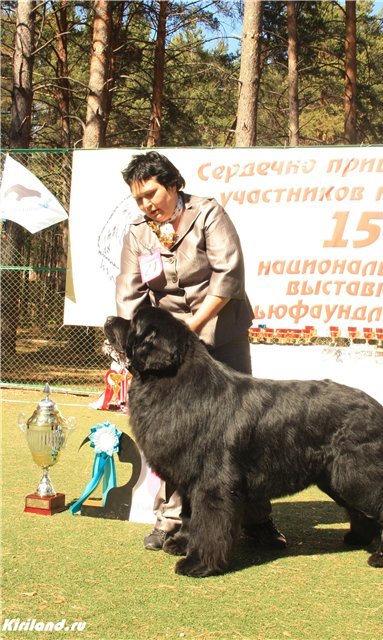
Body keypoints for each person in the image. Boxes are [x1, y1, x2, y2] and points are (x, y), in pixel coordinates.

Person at [116, 151, 286, 551]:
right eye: (139, 199)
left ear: (173, 185)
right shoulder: (138, 233)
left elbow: (230, 274)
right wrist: (138, 346)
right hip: (172, 349)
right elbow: (130, 294)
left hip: (219, 331)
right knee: (174, 436)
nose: (146, 205)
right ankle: (174, 519)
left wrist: (193, 326)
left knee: (243, 432)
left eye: (152, 194)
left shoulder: (208, 213)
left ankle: (258, 521)